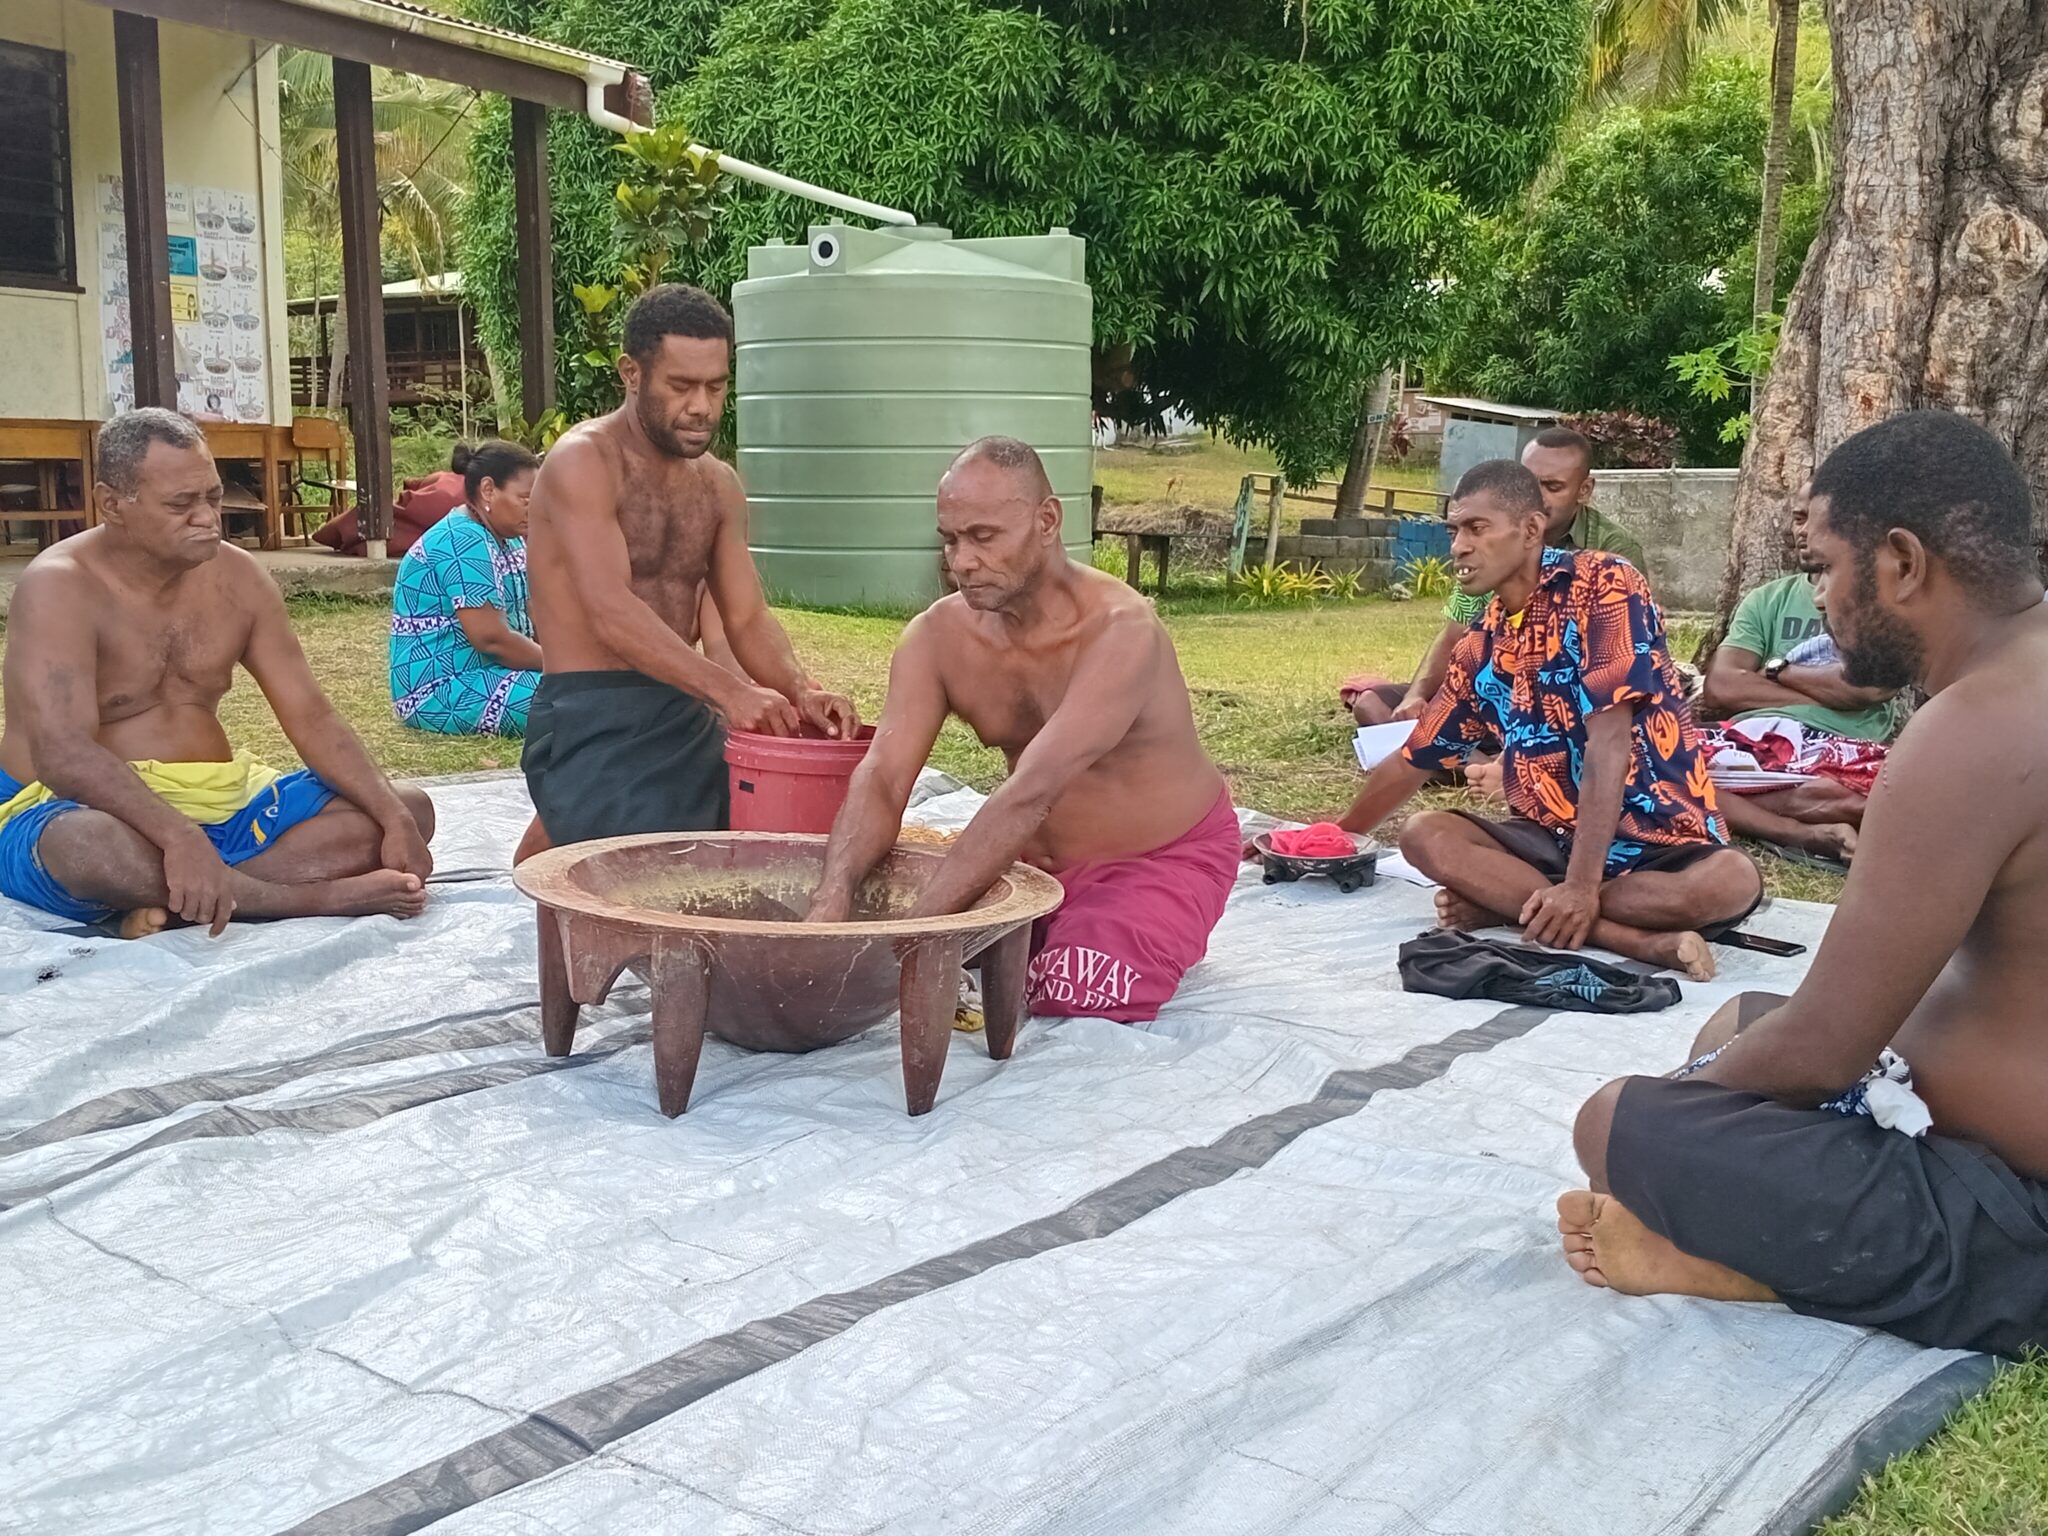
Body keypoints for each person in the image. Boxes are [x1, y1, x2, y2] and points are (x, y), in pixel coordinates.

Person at [1559, 410, 2048, 1359]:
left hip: (2019, 1208)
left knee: (1619, 1121)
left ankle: (1750, 1260)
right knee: (1739, 1019)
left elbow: (1827, 1048)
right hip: (1975, 1108)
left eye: (1824, 567)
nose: (1816, 599)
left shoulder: (1974, 730)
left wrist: (1686, 1103)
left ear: (1900, 564)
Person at [806, 437, 1239, 1023]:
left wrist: (915, 935)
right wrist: (832, 899)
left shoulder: (1121, 629)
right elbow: (883, 777)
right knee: (868, 929)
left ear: (1047, 521)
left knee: (1070, 988)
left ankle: (1130, 926)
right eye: (951, 540)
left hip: (1158, 857)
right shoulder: (935, 638)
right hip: (1030, 870)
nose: (961, 561)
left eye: (984, 537)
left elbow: (1034, 790)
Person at [0, 409, 436, 937]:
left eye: (212, 496)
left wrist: (391, 817)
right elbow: (62, 754)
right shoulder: (59, 586)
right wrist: (177, 836)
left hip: (225, 805)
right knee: (87, 848)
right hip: (76, 807)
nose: (207, 518)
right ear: (112, 504)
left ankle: (192, 898)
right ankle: (301, 898)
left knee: (410, 808)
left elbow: (311, 717)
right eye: (181, 505)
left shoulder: (239, 578)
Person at [1319, 459, 1760, 981]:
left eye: (1476, 528)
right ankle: (1625, 938)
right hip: (1552, 840)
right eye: (1454, 529)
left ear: (1530, 530)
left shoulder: (1605, 585)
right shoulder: (1481, 643)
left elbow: (1609, 744)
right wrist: (1328, 838)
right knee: (1423, 835)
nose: (1458, 546)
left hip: (1660, 841)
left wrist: (1579, 888)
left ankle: (1514, 905)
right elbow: (1416, 757)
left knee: (1729, 881)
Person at [516, 284, 855, 859]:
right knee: (659, 865)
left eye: (716, 386)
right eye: (681, 386)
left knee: (780, 830)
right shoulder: (584, 461)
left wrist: (798, 690)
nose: (702, 405)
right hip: (591, 711)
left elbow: (747, 616)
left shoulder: (718, 485)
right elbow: (609, 610)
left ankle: (555, 849)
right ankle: (557, 852)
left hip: (683, 709)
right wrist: (731, 692)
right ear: (631, 373)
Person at [1347, 427, 1649, 726]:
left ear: (1584, 490)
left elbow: (1618, 661)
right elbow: (1456, 630)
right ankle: (1465, 757)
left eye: (1552, 487)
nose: (1536, 497)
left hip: (1566, 704)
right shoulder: (1493, 537)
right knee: (1372, 705)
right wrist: (1416, 696)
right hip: (1489, 690)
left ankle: (1465, 757)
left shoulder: (1615, 555)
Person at [1698, 483, 1899, 863]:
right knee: (1658, 767)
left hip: (1840, 743)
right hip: (1756, 745)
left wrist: (1774, 671)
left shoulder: (1877, 600)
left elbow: (1867, 688)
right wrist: (1829, 690)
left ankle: (1780, 812)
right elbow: (1721, 687)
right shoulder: (1767, 599)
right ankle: (1806, 830)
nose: (1803, 530)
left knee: (1844, 790)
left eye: (1815, 519)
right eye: (1798, 518)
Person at [389, 439, 544, 736]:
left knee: (588, 691)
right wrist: (565, 667)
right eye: (526, 499)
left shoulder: (509, 538)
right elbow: (491, 640)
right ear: (488, 490)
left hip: (491, 673)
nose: (534, 508)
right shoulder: (463, 540)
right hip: (440, 689)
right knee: (572, 702)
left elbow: (533, 612)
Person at [315, 441, 468, 559]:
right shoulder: (469, 485)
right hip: (436, 526)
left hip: (421, 517)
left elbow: (411, 487)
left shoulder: (444, 480)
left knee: (367, 524)